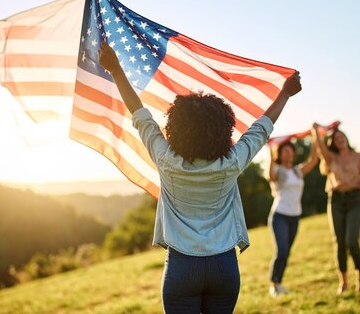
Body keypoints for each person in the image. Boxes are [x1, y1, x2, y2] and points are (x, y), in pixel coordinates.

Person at [98, 41, 302, 314]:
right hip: (224, 267)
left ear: (176, 127)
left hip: (182, 267)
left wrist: (116, 70)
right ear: (223, 129)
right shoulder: (231, 163)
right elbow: (262, 127)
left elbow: (140, 114)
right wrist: (285, 94)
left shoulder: (166, 160)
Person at [313, 123, 360, 294]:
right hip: (336, 200)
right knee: (339, 242)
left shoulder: (358, 157)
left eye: (342, 137)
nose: (340, 140)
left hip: (354, 199)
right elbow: (320, 147)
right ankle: (343, 281)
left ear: (346, 138)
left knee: (352, 240)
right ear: (334, 143)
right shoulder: (331, 158)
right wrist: (315, 131)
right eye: (336, 139)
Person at [268, 137, 319, 297]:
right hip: (280, 216)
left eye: (291, 150)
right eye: (285, 151)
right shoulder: (277, 169)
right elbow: (271, 175)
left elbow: (313, 160)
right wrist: (270, 149)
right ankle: (274, 285)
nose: (289, 153)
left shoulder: (297, 171)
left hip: (295, 216)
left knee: (287, 252)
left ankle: (279, 283)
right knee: (281, 251)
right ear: (280, 154)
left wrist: (316, 137)